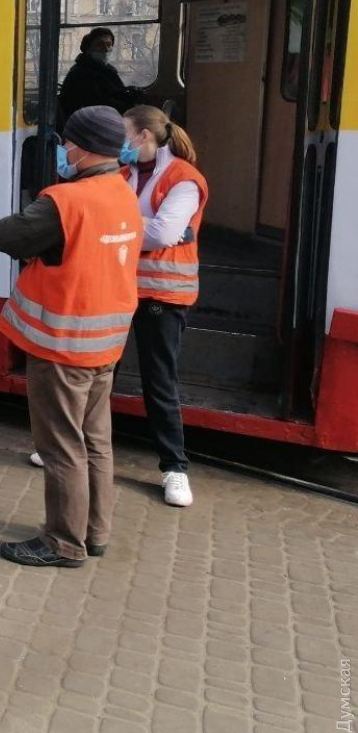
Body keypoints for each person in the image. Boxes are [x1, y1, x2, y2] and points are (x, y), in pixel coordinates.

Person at [0, 105, 141, 567]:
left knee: (60, 447)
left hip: (62, 347)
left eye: (66, 141)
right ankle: (95, 532)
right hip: (106, 345)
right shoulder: (123, 193)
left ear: (78, 147)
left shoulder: (66, 200)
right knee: (96, 441)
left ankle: (63, 542)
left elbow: (8, 236)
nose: (63, 148)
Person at [124, 105, 207, 508]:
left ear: (143, 136)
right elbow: (156, 230)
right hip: (120, 287)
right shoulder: (125, 172)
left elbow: (161, 234)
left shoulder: (184, 179)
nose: (120, 143)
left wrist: (120, 224)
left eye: (126, 133)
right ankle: (69, 447)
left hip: (161, 297)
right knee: (95, 372)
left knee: (159, 383)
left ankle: (175, 468)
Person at [58, 27, 142, 124]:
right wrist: (129, 103)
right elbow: (101, 104)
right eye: (99, 45)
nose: (106, 49)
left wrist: (128, 94)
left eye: (109, 45)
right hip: (90, 124)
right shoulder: (81, 74)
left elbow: (112, 94)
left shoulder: (105, 69)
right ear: (88, 48)